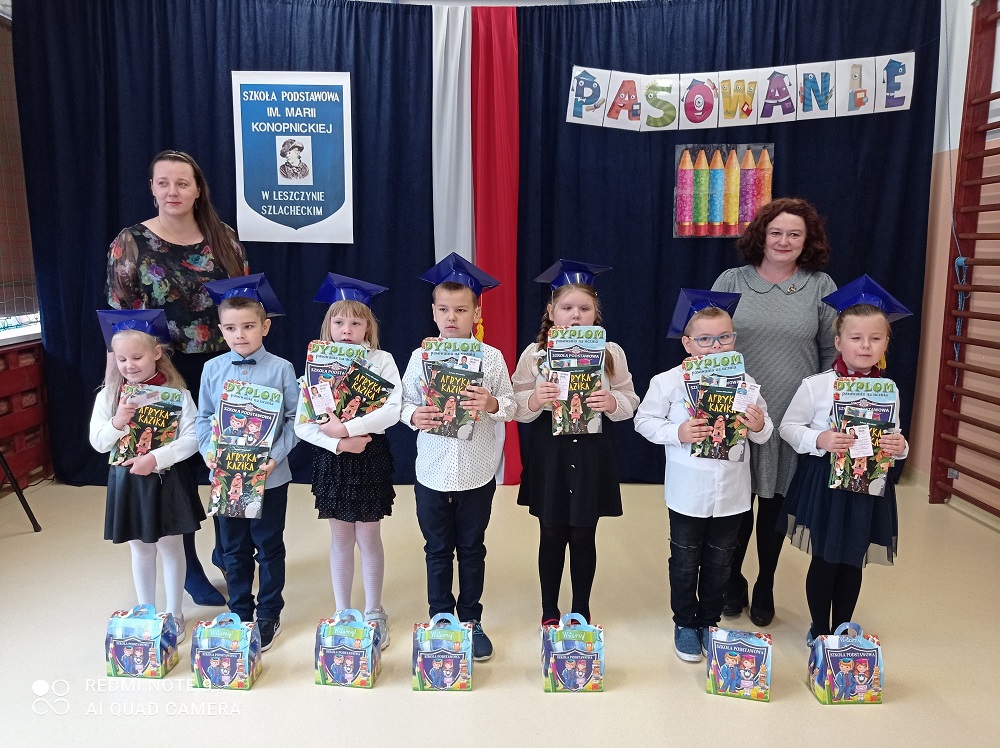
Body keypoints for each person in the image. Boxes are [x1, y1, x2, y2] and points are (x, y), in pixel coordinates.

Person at [107, 149, 249, 608]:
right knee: (173, 472)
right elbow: (119, 323)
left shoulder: (224, 237)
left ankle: (229, 552)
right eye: (163, 182)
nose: (173, 191)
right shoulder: (130, 242)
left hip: (223, 365)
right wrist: (119, 383)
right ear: (152, 188)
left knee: (229, 458)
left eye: (182, 183)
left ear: (198, 189)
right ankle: (189, 569)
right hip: (161, 372)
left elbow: (243, 304)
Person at [711, 197, 838, 627]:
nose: (784, 241)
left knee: (775, 506)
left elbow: (831, 352)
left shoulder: (820, 286)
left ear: (807, 240)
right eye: (776, 232)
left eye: (794, 234)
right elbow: (707, 337)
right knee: (734, 506)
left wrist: (824, 410)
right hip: (737, 412)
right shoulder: (731, 280)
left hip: (790, 417)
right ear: (761, 236)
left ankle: (765, 581)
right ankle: (732, 579)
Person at [634, 291, 772, 662]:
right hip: (688, 492)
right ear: (687, 343)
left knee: (721, 560)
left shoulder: (744, 381)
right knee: (684, 560)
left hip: (732, 494)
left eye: (724, 337)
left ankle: (709, 622)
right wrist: (677, 432)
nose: (715, 346)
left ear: (734, 339)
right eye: (705, 339)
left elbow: (763, 432)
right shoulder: (669, 381)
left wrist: (759, 425)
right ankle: (684, 622)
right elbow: (644, 421)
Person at [779, 276, 910, 645]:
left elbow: (895, 436)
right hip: (825, 482)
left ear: (885, 343)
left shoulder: (888, 390)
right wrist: (819, 439)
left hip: (868, 484)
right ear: (838, 342)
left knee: (853, 558)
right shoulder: (816, 385)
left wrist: (901, 446)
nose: (865, 346)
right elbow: (788, 427)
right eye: (856, 338)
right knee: (825, 558)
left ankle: (842, 628)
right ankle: (819, 629)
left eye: (875, 338)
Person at [399, 253, 515, 662]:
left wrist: (492, 403)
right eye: (444, 309)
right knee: (436, 549)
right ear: (433, 312)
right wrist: (413, 415)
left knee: (471, 548)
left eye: (461, 310)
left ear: (476, 313)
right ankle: (440, 617)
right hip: (431, 473)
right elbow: (403, 403)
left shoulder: (492, 358)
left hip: (477, 473)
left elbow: (512, 406)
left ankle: (470, 619)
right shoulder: (421, 357)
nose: (452, 317)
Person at [512, 260, 639, 626]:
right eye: (567, 307)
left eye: (584, 308)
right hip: (550, 452)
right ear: (551, 312)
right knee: (551, 532)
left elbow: (630, 400)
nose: (576, 315)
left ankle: (581, 608)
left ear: (595, 313)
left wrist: (611, 402)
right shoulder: (534, 354)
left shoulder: (611, 352)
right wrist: (535, 399)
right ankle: (549, 610)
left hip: (592, 452)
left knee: (584, 533)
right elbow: (516, 405)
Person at [294, 273, 402, 650]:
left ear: (367, 327)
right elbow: (303, 423)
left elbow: (392, 410)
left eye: (356, 323)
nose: (347, 330)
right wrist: (339, 443)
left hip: (370, 454)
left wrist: (349, 428)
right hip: (334, 458)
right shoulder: (317, 364)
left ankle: (374, 610)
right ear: (329, 326)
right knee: (341, 536)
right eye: (339, 322)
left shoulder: (381, 361)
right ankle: (343, 611)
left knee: (368, 535)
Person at [195, 274, 298, 651]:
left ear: (265, 327)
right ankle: (239, 610)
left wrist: (274, 457)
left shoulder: (282, 369)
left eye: (249, 326)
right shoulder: (212, 369)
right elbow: (204, 417)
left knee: (268, 546)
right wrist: (209, 452)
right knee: (232, 547)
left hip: (270, 476)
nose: (240, 335)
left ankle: (269, 612)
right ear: (221, 329)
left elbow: (295, 420)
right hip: (227, 477)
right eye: (231, 328)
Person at [90, 310, 205, 644]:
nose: (129, 365)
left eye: (137, 357)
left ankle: (175, 613)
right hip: (129, 482)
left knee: (172, 547)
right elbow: (98, 443)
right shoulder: (109, 396)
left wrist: (156, 458)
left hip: (167, 479)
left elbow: (193, 439)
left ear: (156, 353)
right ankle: (146, 612)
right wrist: (118, 422)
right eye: (122, 359)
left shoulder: (177, 394)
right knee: (140, 549)